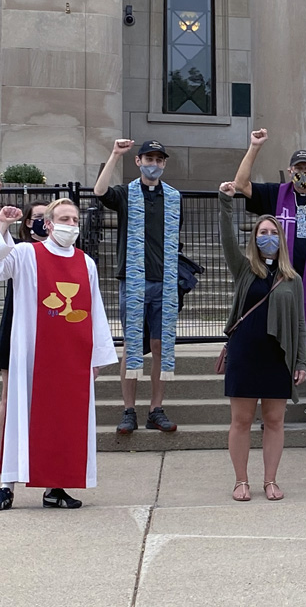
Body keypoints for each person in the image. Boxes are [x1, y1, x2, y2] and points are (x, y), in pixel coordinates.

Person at [0, 199, 117, 511]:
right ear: (49, 224)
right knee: (20, 415)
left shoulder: (86, 263)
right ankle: (6, 485)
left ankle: (56, 487)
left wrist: (96, 358)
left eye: (74, 219)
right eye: (63, 218)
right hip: (32, 354)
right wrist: (2, 225)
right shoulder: (27, 254)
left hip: (71, 357)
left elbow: (94, 311)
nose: (70, 224)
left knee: (64, 421)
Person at [234, 129, 306, 430]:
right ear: (290, 171)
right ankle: (274, 412)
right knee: (275, 344)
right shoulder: (276, 195)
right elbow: (241, 185)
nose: (303, 174)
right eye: (298, 169)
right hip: (279, 282)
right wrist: (255, 146)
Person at [217, 182, 306, 502]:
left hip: (277, 355)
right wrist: (226, 202)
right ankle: (241, 480)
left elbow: (299, 321)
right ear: (255, 238)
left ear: (280, 239)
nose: (266, 236)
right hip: (245, 352)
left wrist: (301, 361)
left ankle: (270, 480)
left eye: (272, 231)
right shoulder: (244, 269)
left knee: (274, 420)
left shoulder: (291, 278)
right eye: (261, 232)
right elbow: (227, 237)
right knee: (241, 421)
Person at [94, 139, 180, 435]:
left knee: (160, 345)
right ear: (139, 161)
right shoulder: (126, 194)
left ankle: (156, 408)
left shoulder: (172, 196)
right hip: (133, 280)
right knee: (132, 345)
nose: (154, 164)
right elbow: (100, 191)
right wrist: (116, 154)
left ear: (164, 163)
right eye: (148, 158)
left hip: (164, 281)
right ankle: (129, 409)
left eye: (159, 159)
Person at [0, 182, 48, 476]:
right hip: (17, 327)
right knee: (9, 395)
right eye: (37, 218)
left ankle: (42, 456)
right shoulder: (19, 250)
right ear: (28, 224)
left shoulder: (67, 254)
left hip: (49, 329)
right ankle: (1, 454)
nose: (43, 223)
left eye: (49, 217)